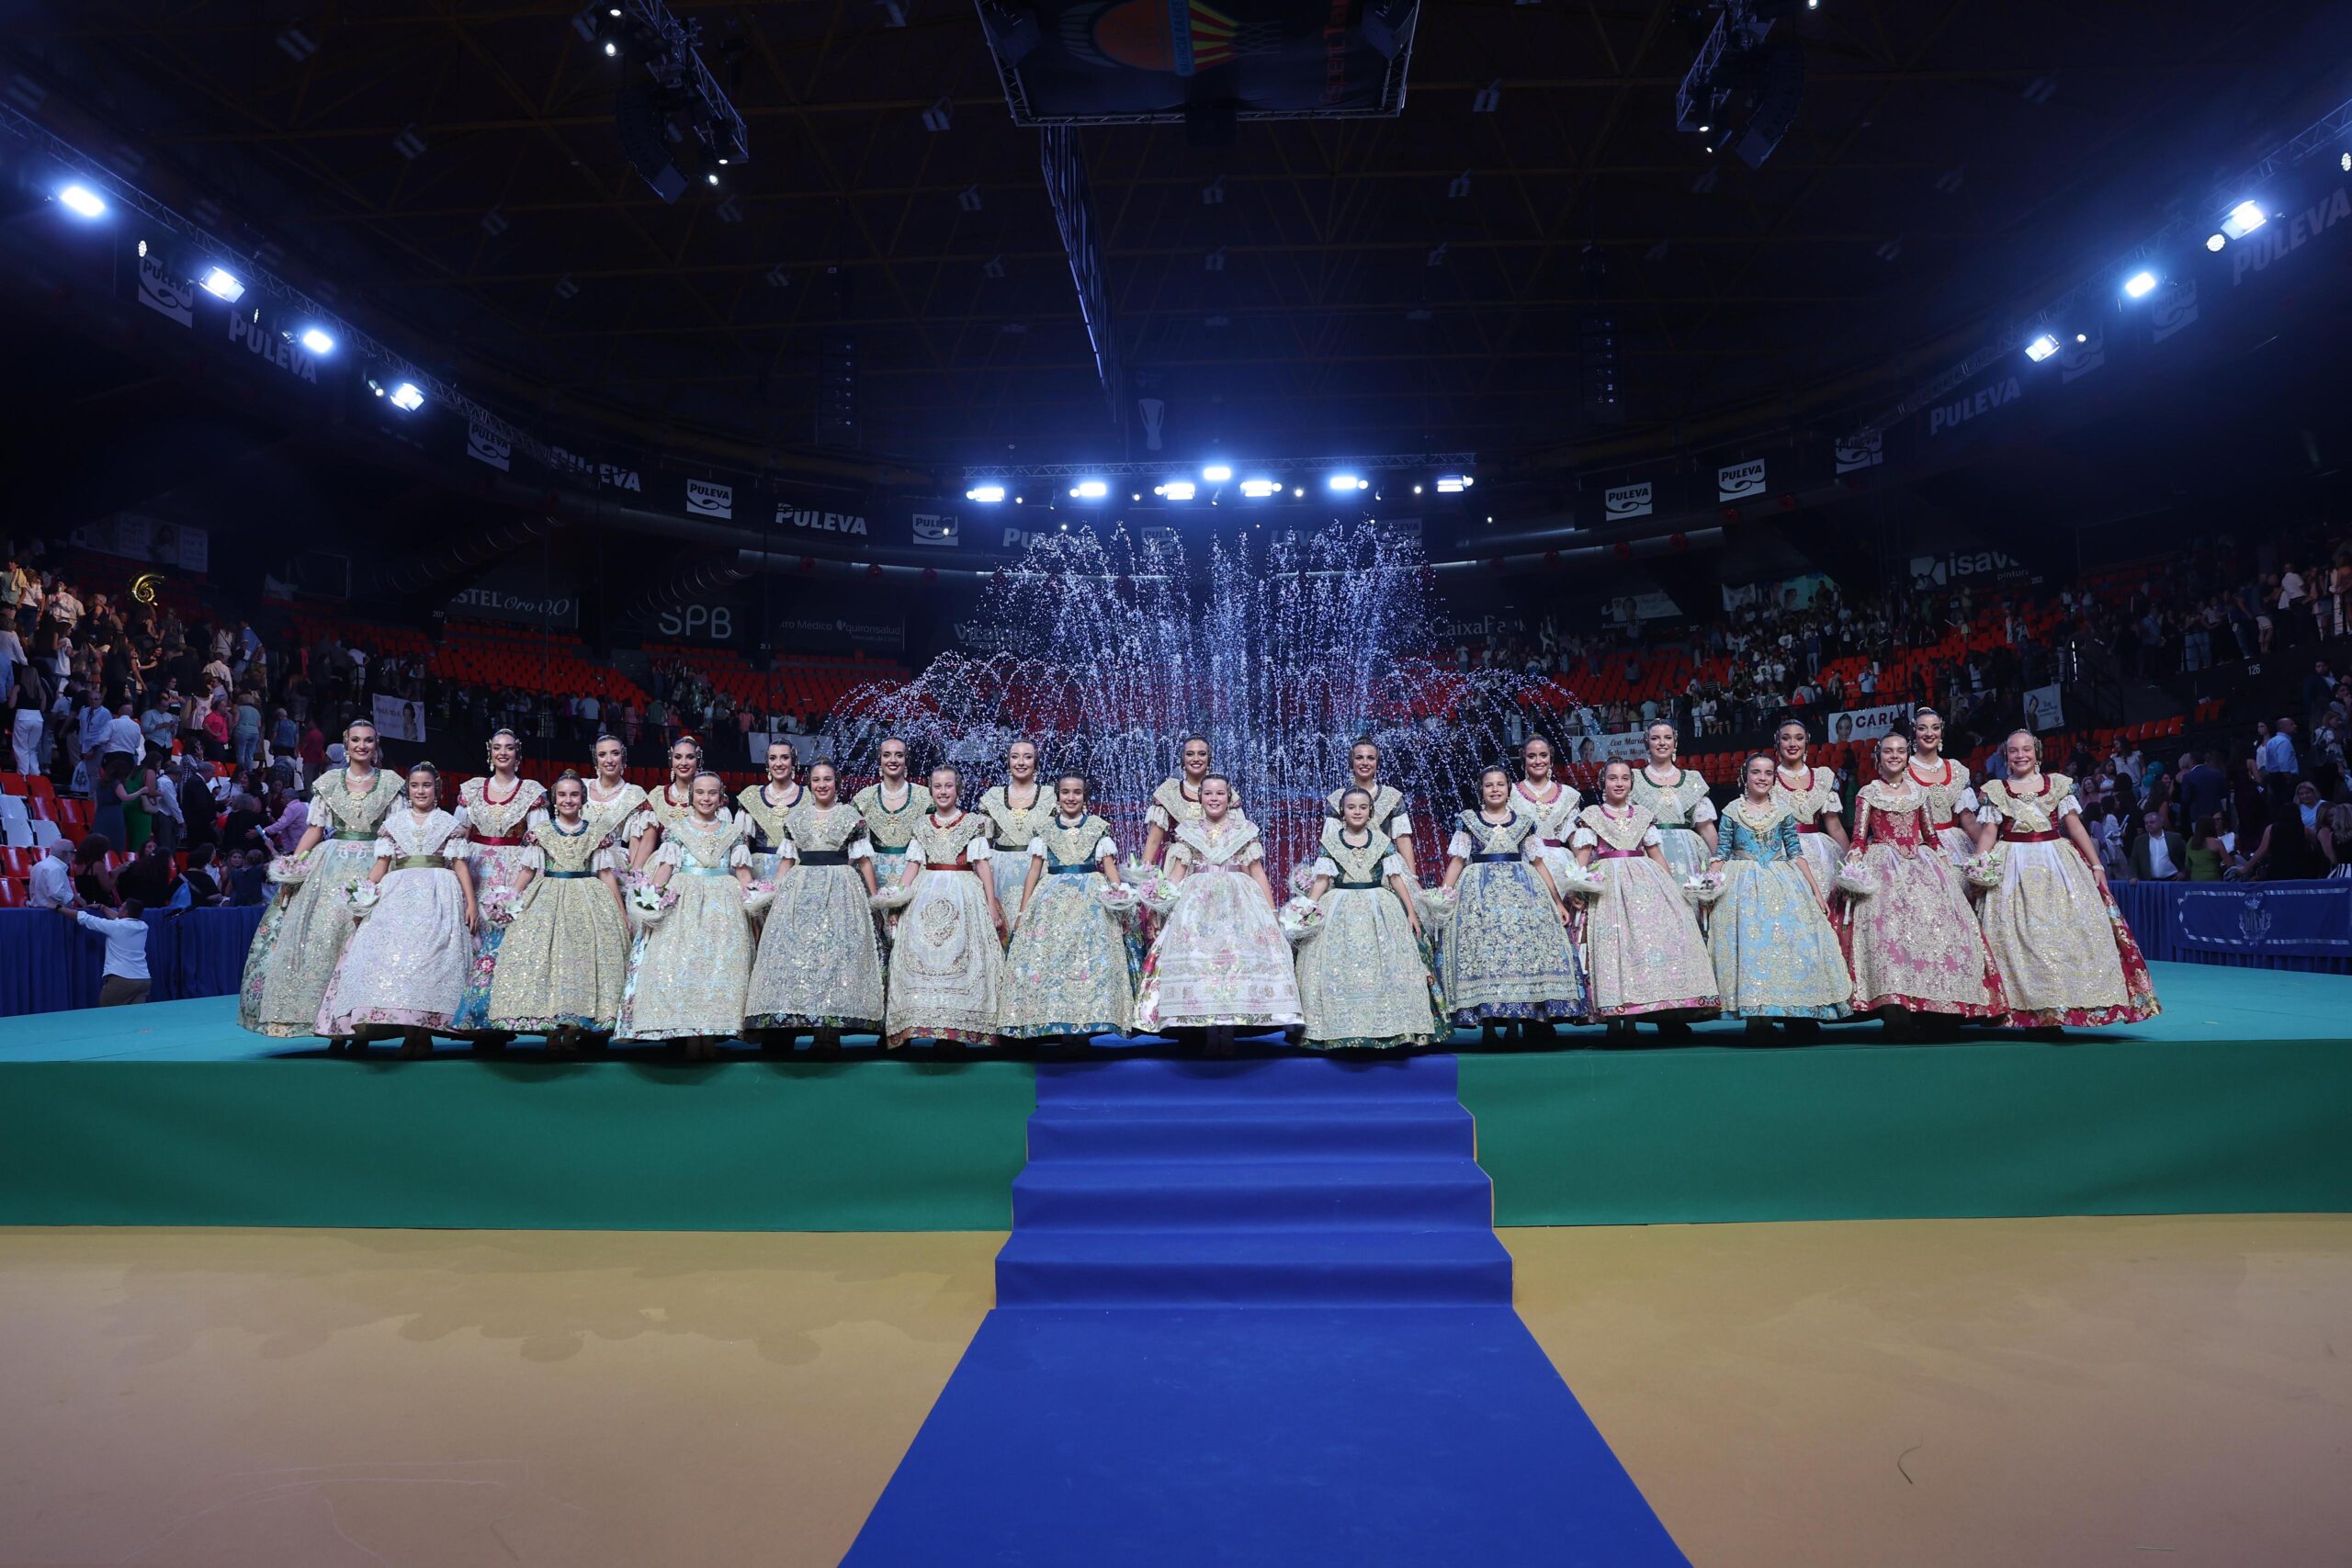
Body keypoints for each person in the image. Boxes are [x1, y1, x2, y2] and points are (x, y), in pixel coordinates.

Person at [1974, 731, 2161, 1029]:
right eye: (2013, 751)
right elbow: (1988, 832)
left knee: (2062, 934)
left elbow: (2074, 827)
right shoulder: (1997, 789)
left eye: (2026, 749)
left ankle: (2059, 1010)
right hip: (2012, 864)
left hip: (2056, 864)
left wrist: (2097, 865)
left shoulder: (2058, 785)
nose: (2020, 755)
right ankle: (2024, 1008)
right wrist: (1979, 866)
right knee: (2016, 937)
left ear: (2037, 753)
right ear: (2006, 756)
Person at [238, 719, 403, 1039]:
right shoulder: (328, 782)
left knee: (368, 940)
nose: (361, 746)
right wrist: (295, 864)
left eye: (368, 740)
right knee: (323, 937)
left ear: (376, 743)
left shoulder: (391, 783)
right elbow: (315, 829)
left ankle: (365, 1022)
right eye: (355, 740)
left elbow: (396, 831)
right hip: (331, 863)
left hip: (379, 861)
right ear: (346, 743)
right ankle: (320, 1021)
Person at [1838, 733, 2007, 1033]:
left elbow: (1930, 837)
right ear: (1878, 756)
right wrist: (1854, 863)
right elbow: (1859, 838)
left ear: (1907, 755)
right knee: (1889, 932)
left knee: (1944, 927)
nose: (1894, 756)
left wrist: (1946, 867)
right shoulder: (1868, 792)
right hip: (1884, 861)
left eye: (1900, 751)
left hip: (1921, 862)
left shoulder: (1919, 792)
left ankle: (1939, 1007)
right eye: (1888, 751)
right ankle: (1895, 1009)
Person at [315, 762, 479, 1056]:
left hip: (439, 894)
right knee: (398, 961)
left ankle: (424, 1035)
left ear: (437, 790)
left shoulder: (448, 824)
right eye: (415, 786)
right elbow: (381, 865)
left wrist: (472, 903)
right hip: (398, 892)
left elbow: (459, 864)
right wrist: (362, 895)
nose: (420, 791)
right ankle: (408, 1034)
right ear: (408, 790)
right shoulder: (394, 825)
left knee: (431, 961)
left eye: (426, 785)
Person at [1133, 774, 1299, 1056]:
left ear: (1228, 798)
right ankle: (1211, 1031)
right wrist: (1157, 894)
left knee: (1235, 964)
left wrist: (1271, 913)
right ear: (1200, 799)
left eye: (1219, 793)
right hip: (1198, 904)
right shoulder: (1187, 831)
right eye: (1208, 793)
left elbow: (1257, 872)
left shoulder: (1244, 830)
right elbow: (1177, 874)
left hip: (1239, 902)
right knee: (1204, 965)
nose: (1213, 798)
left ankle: (1230, 1030)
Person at [742, 761, 886, 1053]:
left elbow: (863, 861)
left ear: (838, 782)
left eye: (828, 779)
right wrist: (771, 894)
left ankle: (828, 1032)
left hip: (841, 890)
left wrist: (875, 900)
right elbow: (786, 862)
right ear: (810, 784)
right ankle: (791, 1025)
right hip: (801, 889)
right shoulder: (796, 818)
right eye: (817, 780)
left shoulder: (851, 817)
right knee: (799, 956)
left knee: (835, 956)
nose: (822, 785)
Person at [1571, 760, 1720, 1036]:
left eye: (1625, 778)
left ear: (1631, 783)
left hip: (1645, 882)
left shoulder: (1643, 815)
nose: (1619, 783)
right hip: (1608, 886)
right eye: (1613, 778)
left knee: (1643, 943)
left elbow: (1656, 855)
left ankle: (1634, 1018)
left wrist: (1674, 893)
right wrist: (1576, 888)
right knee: (1613, 945)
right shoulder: (1592, 816)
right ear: (1603, 783)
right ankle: (1615, 1020)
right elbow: (1581, 859)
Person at [1705, 755, 1852, 1034]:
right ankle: (1756, 1018)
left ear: (1774, 778)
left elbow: (1796, 853)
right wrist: (1709, 884)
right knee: (1751, 947)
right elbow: (1722, 852)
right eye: (1756, 772)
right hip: (1743, 884)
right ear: (1744, 776)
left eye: (1768, 773)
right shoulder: (1732, 811)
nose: (1762, 777)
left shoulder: (1783, 811)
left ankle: (1798, 1011)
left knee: (1790, 945)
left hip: (1782, 881)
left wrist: (1815, 891)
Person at [1436, 765, 1584, 1042]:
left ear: (1508, 789)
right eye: (1489, 785)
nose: (1495, 789)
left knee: (1518, 958)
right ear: (1481, 790)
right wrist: (1443, 895)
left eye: (1500, 784)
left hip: (1521, 895)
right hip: (1478, 896)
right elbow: (1457, 861)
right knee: (1485, 957)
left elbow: (1538, 863)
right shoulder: (1468, 820)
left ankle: (1516, 1023)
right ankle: (1489, 1025)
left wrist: (1556, 902)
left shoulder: (1524, 821)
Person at [486, 773, 628, 1053]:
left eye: (574, 795)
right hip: (548, 895)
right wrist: (510, 899)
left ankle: (575, 1028)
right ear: (554, 800)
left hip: (588, 898)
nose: (568, 800)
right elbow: (527, 871)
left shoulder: (596, 832)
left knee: (581, 963)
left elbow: (606, 873)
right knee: (549, 960)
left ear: (582, 799)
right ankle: (552, 1030)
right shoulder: (542, 833)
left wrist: (620, 911)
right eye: (562, 795)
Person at [620, 771, 757, 1059]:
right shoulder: (676, 830)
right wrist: (649, 899)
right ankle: (690, 1034)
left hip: (723, 906)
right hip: (685, 903)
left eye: (712, 793)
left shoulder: (733, 833)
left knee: (718, 966)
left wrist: (758, 900)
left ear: (722, 798)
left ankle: (712, 1034)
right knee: (686, 964)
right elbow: (664, 871)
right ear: (691, 797)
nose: (706, 798)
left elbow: (744, 875)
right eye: (700, 793)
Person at [1293, 786, 1440, 1052]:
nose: (1357, 812)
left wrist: (1411, 911)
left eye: (1363, 807)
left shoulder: (1382, 842)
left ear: (1371, 811)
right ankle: (1337, 1028)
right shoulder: (1332, 842)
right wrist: (1309, 908)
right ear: (1343, 812)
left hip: (1379, 906)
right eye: (1351, 807)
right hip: (1339, 907)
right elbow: (1322, 880)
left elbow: (1395, 878)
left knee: (1385, 962)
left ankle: (1390, 1027)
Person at [1000, 772, 1134, 1051]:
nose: (1070, 798)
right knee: (1056, 962)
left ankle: (1084, 1029)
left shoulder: (1098, 828)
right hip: (1052, 903)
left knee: (1086, 961)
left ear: (1085, 797)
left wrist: (1121, 900)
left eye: (1077, 792)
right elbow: (1034, 873)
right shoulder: (1045, 830)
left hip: (1091, 904)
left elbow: (1110, 870)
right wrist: (1023, 913)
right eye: (1065, 793)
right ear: (1057, 796)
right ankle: (1061, 1026)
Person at [883, 766, 1009, 1051]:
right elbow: (913, 866)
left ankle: (955, 1031)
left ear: (958, 789)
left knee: (960, 953)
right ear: (931, 790)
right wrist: (896, 901)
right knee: (922, 954)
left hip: (964, 892)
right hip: (926, 893)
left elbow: (982, 866)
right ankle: (922, 1022)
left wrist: (990, 904)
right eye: (937, 786)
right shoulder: (922, 824)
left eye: (948, 786)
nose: (942, 791)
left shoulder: (972, 823)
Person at [444, 729, 547, 1043]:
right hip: (476, 869)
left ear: (518, 754)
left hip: (515, 870)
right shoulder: (472, 790)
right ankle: (469, 1016)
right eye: (498, 748)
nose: (503, 753)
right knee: (471, 934)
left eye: (510, 748)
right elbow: (458, 833)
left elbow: (540, 839)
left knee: (507, 940)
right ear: (490, 753)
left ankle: (501, 1015)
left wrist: (518, 888)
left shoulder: (531, 792)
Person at [1629, 721, 1718, 880]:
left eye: (1668, 737)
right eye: (1655, 738)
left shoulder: (1692, 779)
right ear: (1647, 742)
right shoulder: (1633, 779)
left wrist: (1719, 864)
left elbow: (1706, 828)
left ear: (1674, 742)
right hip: (1648, 851)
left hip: (1688, 852)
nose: (1662, 743)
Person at [978, 739, 1057, 920]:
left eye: (1027, 757)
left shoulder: (1050, 796)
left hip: (1040, 871)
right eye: (1015, 757)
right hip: (1000, 874)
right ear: (1008, 762)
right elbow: (983, 845)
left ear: (1035, 763)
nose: (1021, 762)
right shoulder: (993, 797)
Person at [1770, 719, 1850, 886]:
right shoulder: (1768, 779)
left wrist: (1852, 863)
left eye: (1799, 738)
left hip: (1820, 852)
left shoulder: (1822, 777)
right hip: (1781, 853)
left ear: (1806, 741)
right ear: (1778, 741)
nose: (1793, 744)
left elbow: (1834, 826)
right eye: (1786, 738)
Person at [1327, 738, 1419, 877]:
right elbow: (1330, 843)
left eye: (1370, 758)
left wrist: (1412, 878)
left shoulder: (1391, 797)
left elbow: (1403, 840)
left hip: (1386, 871)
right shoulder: (1337, 798)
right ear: (1351, 762)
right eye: (1359, 758)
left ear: (1377, 763)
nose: (1365, 763)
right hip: (1348, 871)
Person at [1907, 707, 1979, 864]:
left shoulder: (1956, 769)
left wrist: (1988, 850)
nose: (1929, 733)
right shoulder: (1902, 770)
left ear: (1941, 730)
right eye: (1922, 728)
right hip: (1917, 847)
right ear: (1914, 732)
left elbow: (1968, 819)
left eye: (1935, 727)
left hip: (1953, 846)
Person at [1141, 735, 1223, 868]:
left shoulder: (1223, 791)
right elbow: (1153, 841)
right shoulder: (1169, 792)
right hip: (1177, 864)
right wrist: (1140, 878)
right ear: (1182, 760)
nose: (1196, 759)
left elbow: (1237, 838)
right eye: (1190, 754)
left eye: (1202, 754)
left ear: (1209, 759)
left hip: (1215, 866)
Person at [1511, 736, 1582, 887]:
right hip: (1524, 865)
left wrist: (1582, 875)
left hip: (1560, 866)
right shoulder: (1510, 793)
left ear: (1551, 758)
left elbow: (1574, 838)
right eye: (1532, 756)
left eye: (1543, 755)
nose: (1538, 761)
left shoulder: (1568, 795)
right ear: (1524, 759)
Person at [582, 733, 653, 882]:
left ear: (623, 757)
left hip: (614, 866)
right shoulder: (582, 787)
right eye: (602, 754)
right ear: (596, 759)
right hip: (579, 861)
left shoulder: (634, 794)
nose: (609, 760)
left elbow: (636, 841)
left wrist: (633, 875)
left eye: (615, 753)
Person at [853, 735, 922, 885]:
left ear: (906, 760)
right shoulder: (864, 797)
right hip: (871, 877)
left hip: (915, 876)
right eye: (886, 755)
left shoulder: (924, 797)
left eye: (899, 755)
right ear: (879, 760)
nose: (893, 760)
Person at [735, 739, 804, 882]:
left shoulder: (809, 797)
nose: (778, 763)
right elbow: (742, 845)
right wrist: (746, 883)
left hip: (798, 871)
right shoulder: (752, 796)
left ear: (794, 761)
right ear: (767, 763)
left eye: (785, 757)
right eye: (773, 758)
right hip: (759, 872)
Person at [72, 900, 151, 1006]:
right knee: (136, 1019)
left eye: (121, 907)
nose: (118, 909)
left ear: (125, 912)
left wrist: (58, 908)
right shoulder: (143, 926)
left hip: (122, 980)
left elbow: (85, 918)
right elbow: (119, 919)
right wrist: (102, 906)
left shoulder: (115, 926)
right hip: (143, 981)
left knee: (107, 1016)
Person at [2128, 810, 2188, 882]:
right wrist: (2133, 876)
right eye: (2146, 823)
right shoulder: (2139, 840)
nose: (2149, 825)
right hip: (2149, 881)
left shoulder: (2174, 838)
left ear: (2161, 823)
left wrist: (2184, 872)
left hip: (2173, 879)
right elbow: (2134, 860)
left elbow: (2188, 855)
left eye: (2152, 822)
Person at [28, 840, 75, 909]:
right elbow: (56, 892)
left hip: (37, 910)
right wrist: (75, 897)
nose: (74, 856)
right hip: (54, 912)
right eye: (73, 852)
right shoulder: (56, 868)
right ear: (64, 853)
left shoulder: (37, 865)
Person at [2257, 716, 2299, 780]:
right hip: (2282, 777)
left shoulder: (2272, 741)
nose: (2295, 726)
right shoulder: (2283, 741)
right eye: (2291, 724)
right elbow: (2283, 762)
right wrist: (2289, 778)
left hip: (2273, 776)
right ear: (2283, 727)